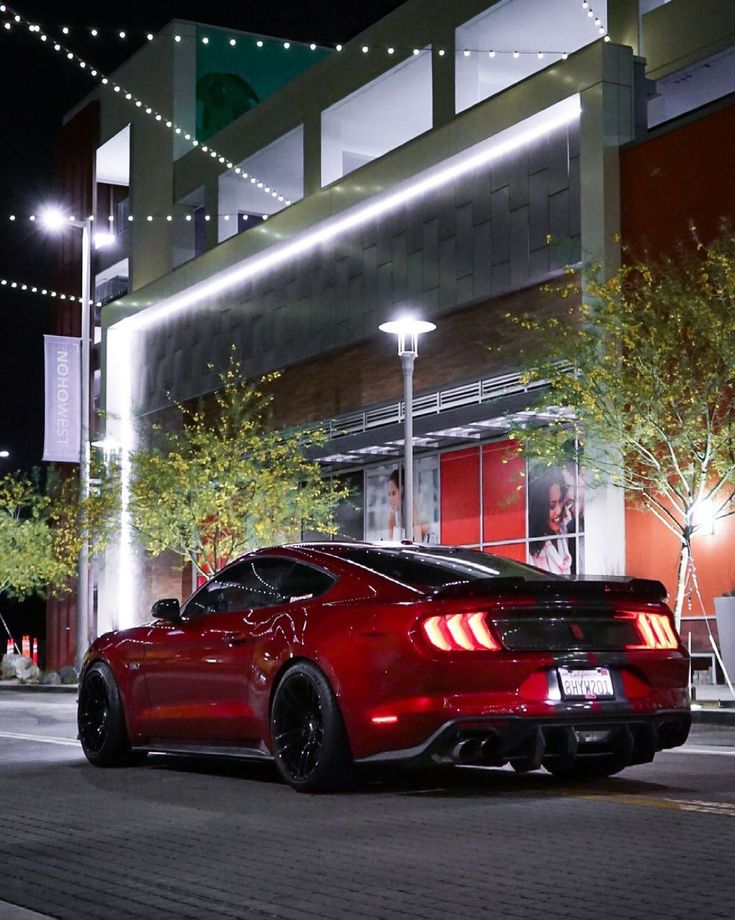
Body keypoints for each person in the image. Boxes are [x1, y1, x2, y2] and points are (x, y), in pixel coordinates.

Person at [528, 465, 573, 575]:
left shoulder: (564, 531)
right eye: (551, 506)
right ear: (539, 508)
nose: (558, 510)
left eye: (561, 501)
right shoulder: (531, 548)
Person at [386, 468, 431, 542]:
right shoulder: (392, 514)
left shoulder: (411, 506)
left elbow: (418, 539)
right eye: (389, 494)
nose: (390, 499)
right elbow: (388, 539)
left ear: (402, 491)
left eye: (394, 494)